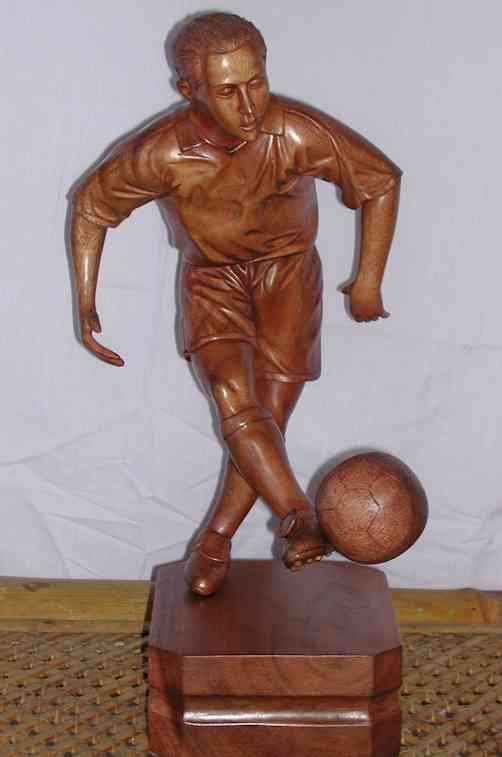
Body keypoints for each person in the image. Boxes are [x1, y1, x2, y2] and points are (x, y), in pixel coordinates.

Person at [71, 12, 402, 596]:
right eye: (228, 92)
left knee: (264, 424)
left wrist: (369, 279)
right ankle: (299, 515)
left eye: (257, 83)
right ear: (189, 90)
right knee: (230, 391)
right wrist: (86, 299)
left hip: (289, 280)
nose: (249, 106)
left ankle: (215, 539)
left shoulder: (294, 131)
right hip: (212, 281)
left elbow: (379, 180)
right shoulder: (161, 151)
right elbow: (92, 207)